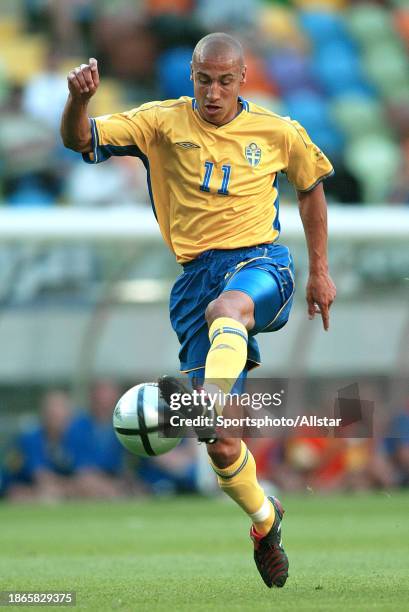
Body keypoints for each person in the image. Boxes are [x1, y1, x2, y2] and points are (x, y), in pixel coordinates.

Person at [61, 32, 336, 589]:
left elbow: (311, 189)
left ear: (241, 80)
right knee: (222, 440)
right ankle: (265, 520)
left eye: (225, 81)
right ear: (192, 77)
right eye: (204, 80)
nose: (213, 92)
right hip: (193, 281)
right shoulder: (160, 122)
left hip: (262, 263)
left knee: (228, 308)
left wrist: (321, 270)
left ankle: (205, 400)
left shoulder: (278, 131)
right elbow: (80, 139)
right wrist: (79, 100)